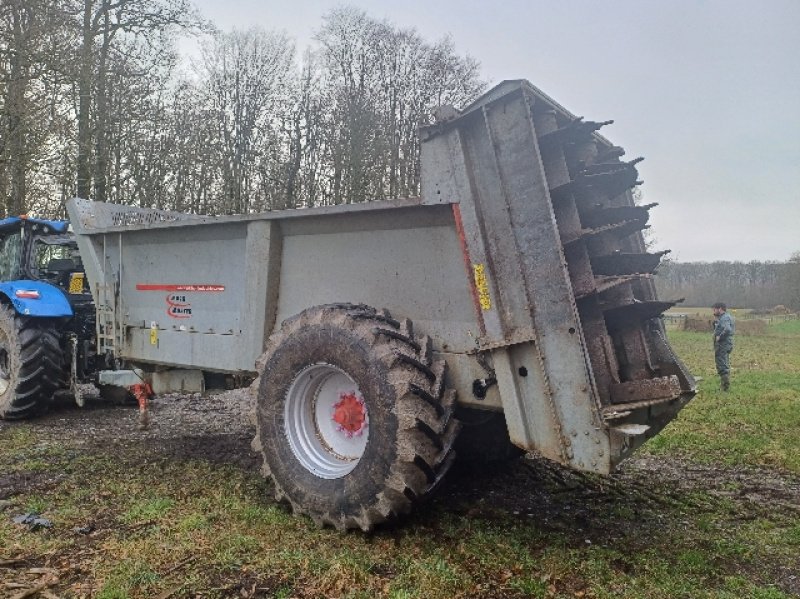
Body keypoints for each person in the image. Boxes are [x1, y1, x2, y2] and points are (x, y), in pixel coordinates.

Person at [712, 302, 735, 391]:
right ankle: (724, 385)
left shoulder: (724, 318)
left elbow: (728, 329)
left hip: (723, 345)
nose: (713, 311)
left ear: (720, 309)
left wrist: (719, 337)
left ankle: (725, 387)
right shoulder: (724, 317)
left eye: (715, 309)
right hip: (725, 345)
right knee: (724, 364)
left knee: (722, 365)